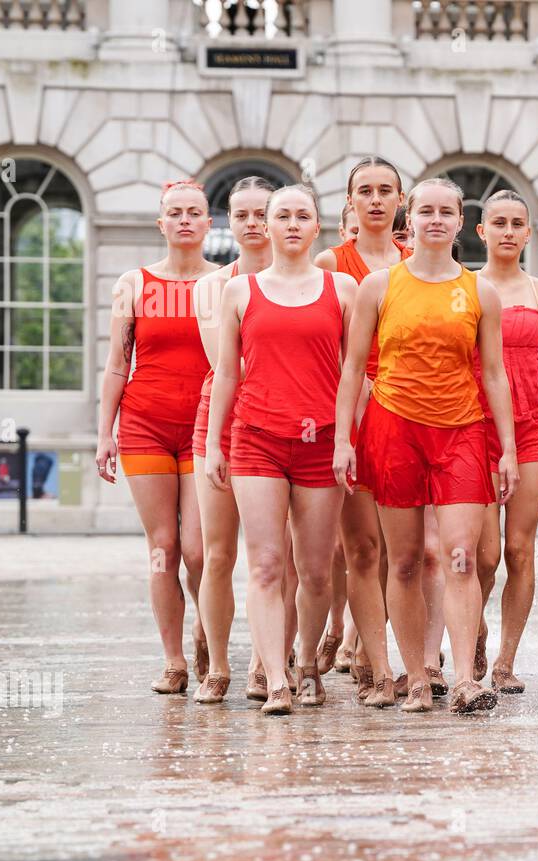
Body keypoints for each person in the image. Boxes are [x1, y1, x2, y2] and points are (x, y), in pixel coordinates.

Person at [334, 177, 520, 714]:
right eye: (425, 212)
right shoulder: (378, 286)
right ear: (408, 221)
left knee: (461, 556)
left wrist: (506, 448)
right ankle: (415, 675)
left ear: (460, 223)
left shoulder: (479, 290)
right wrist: (345, 438)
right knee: (408, 560)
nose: (435, 220)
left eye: (446, 212)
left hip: (461, 431)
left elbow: (494, 374)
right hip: (393, 429)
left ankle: (464, 678)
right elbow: (352, 368)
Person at [205, 183, 356, 715]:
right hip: (256, 440)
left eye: (302, 216)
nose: (292, 224)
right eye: (282, 216)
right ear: (265, 227)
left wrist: (343, 440)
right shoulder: (240, 292)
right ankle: (275, 680)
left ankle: (309, 660)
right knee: (266, 565)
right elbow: (226, 372)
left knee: (315, 572)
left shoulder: (341, 289)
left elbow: (352, 375)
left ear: (318, 228)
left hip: (319, 446)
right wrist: (213, 443)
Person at [96, 180, 218, 695]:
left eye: (195, 212)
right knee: (161, 548)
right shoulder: (133, 283)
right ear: (161, 223)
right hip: (144, 424)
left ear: (210, 224)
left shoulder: (226, 282)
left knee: (196, 550)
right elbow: (118, 363)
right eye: (175, 212)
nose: (185, 220)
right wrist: (105, 433)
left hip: (202, 427)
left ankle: (203, 627)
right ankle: (173, 660)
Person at [314, 157, 406, 698]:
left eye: (385, 191)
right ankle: (370, 660)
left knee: (401, 550)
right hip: (349, 410)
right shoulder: (331, 261)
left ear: (400, 200)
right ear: (350, 202)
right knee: (357, 548)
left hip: (405, 412)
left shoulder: (418, 262)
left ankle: (381, 648)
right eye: (364, 192)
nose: (375, 200)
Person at [472, 190, 538, 694]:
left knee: (519, 548)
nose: (509, 231)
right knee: (483, 555)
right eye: (499, 223)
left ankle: (506, 661)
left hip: (532, 426)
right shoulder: (465, 288)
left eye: (518, 224)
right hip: (477, 426)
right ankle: (475, 632)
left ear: (528, 233)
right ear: (481, 231)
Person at [190, 176, 274, 704]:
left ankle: (267, 664)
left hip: (288, 425)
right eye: (239, 214)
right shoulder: (210, 288)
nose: (251, 223)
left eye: (261, 212)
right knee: (217, 554)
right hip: (221, 421)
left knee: (274, 557)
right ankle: (218, 664)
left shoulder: (314, 281)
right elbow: (228, 364)